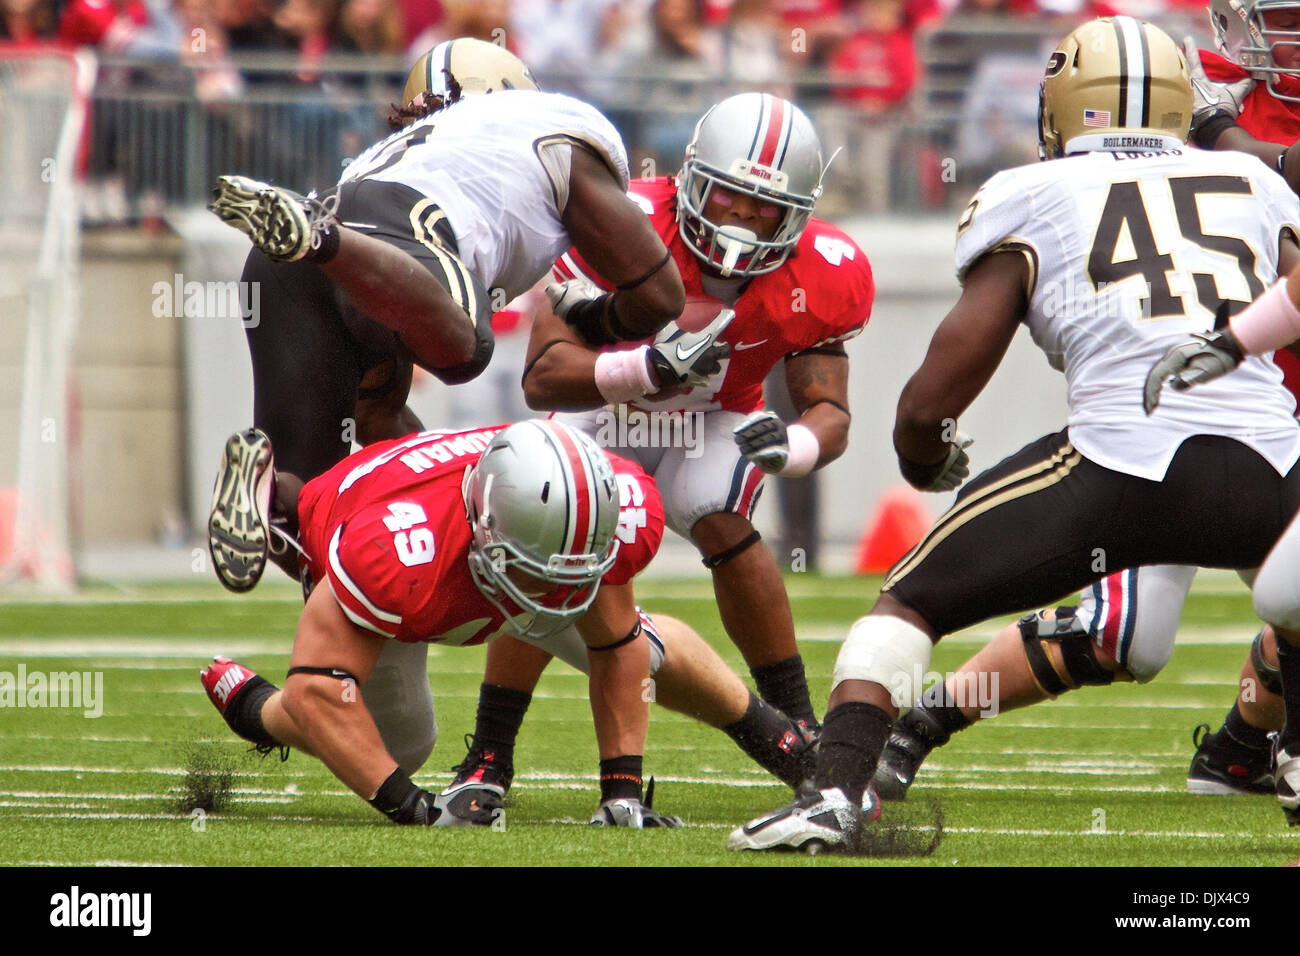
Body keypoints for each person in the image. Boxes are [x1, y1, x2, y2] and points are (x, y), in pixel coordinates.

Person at [730, 15, 1300, 853]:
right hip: (1271, 467)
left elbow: (938, 391)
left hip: (1115, 467)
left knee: (908, 601)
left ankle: (836, 795)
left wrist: (924, 457)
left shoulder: (1031, 191)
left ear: (1067, 103)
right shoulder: (1257, 185)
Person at [441, 92, 874, 814]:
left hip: (717, 415)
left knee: (724, 520)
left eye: (764, 208)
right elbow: (544, 374)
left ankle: (798, 723)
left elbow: (829, 409)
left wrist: (791, 446)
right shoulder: (622, 222)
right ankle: (489, 753)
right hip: (606, 408)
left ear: (796, 214)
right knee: (542, 536)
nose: (740, 218)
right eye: (729, 196)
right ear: (689, 180)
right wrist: (645, 370)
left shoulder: (826, 270)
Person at [205, 37, 686, 593]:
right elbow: (660, 295)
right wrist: (598, 321)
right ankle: (320, 239)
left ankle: (264, 492)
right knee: (464, 350)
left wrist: (449, 493)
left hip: (296, 257)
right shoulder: (549, 126)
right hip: (386, 228)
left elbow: (379, 422)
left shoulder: (394, 153)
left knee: (315, 511)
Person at [201, 420, 823, 825]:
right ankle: (278, 513)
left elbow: (619, 647)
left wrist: (622, 792)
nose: (558, 589)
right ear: (485, 529)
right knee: (397, 746)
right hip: (370, 508)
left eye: (574, 567)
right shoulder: (395, 552)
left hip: (489, 516)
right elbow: (320, 692)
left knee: (630, 635)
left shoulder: (602, 504)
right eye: (539, 569)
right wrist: (412, 809)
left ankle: (781, 737)